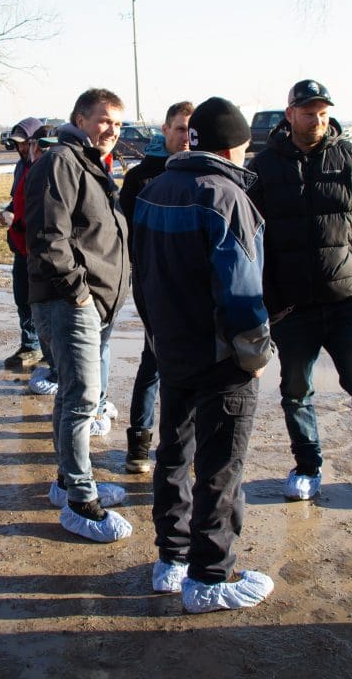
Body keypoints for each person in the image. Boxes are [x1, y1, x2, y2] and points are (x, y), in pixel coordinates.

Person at [132, 97, 275, 613]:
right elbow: (241, 291)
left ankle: (170, 559)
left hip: (172, 353)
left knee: (173, 454)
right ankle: (210, 576)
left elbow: (141, 280)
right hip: (220, 362)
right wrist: (255, 353)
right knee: (220, 468)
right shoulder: (225, 197)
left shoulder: (152, 192)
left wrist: (158, 336)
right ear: (234, 146)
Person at [247, 80, 352, 501]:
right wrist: (269, 298)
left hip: (347, 302)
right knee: (296, 392)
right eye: (308, 111)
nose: (317, 119)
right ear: (290, 113)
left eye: (323, 112)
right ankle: (308, 466)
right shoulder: (265, 166)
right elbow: (252, 236)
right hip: (292, 309)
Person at [25, 87, 132, 542]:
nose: (112, 130)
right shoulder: (62, 161)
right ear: (80, 118)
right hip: (69, 303)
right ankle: (80, 502)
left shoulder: (89, 163)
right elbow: (50, 236)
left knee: (72, 395)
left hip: (89, 303)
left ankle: (67, 480)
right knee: (83, 399)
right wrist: (79, 294)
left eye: (118, 124)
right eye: (104, 120)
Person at [119, 100, 192, 474]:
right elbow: (125, 235)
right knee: (154, 362)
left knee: (193, 367)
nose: (186, 137)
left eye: (191, 130)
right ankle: (139, 443)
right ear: (165, 130)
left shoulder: (201, 172)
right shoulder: (141, 178)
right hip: (152, 284)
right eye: (179, 128)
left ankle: (182, 445)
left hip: (192, 288)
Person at [0, 117, 47, 372]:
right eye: (16, 144)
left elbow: (44, 208)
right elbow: (16, 199)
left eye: (23, 144)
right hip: (20, 245)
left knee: (40, 301)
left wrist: (17, 218)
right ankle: (29, 344)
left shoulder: (45, 165)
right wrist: (7, 212)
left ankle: (45, 350)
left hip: (38, 246)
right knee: (22, 297)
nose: (19, 148)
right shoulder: (21, 166)